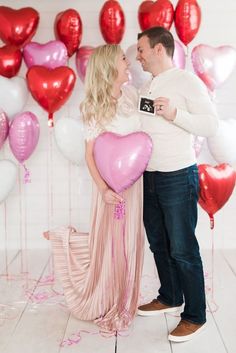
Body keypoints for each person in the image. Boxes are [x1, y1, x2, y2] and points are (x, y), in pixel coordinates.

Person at [44, 44, 144, 334]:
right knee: (110, 243)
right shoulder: (93, 107)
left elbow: (149, 122)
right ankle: (107, 296)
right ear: (109, 66)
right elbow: (90, 155)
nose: (128, 63)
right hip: (109, 188)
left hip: (134, 186)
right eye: (123, 59)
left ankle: (124, 298)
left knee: (129, 243)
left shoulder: (133, 96)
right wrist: (103, 190)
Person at [136, 27, 219, 342]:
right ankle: (170, 297)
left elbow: (210, 124)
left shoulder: (186, 81)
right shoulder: (147, 85)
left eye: (142, 49)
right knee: (158, 242)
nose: (139, 56)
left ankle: (195, 315)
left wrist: (175, 113)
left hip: (177, 175)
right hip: (150, 176)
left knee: (183, 248)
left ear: (159, 49)